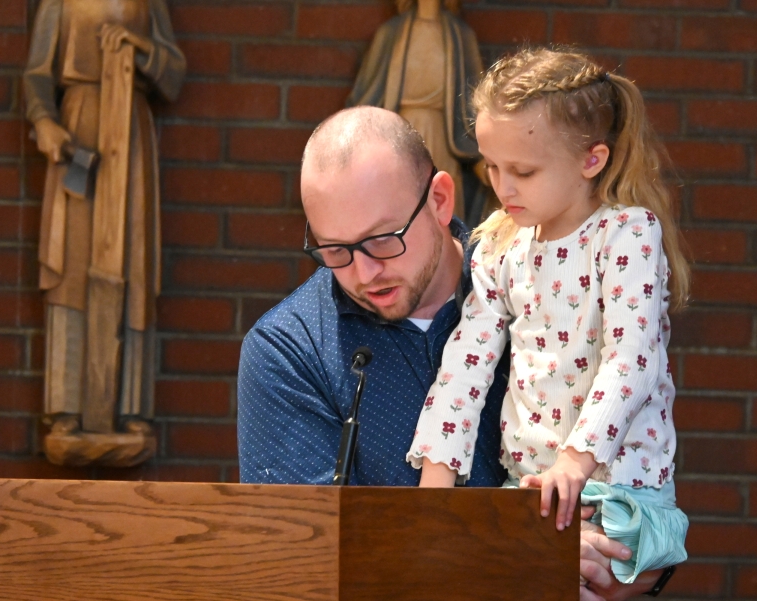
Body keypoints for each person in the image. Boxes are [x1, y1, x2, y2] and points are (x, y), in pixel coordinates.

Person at [238, 105, 667, 600]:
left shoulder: (549, 286)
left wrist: (633, 562)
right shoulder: (289, 350)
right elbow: (298, 560)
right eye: (335, 250)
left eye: (382, 240)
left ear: (440, 199)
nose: (362, 273)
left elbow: (641, 469)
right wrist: (513, 555)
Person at [407, 48, 689, 587]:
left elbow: (632, 359)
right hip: (529, 494)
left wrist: (575, 463)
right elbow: (466, 366)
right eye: (492, 165)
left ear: (592, 160)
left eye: (523, 171)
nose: (502, 186)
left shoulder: (626, 234)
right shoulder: (498, 246)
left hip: (617, 489)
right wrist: (434, 496)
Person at [24, 0, 185, 440]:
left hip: (130, 135)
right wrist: (46, 121)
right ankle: (65, 406)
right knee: (71, 263)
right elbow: (37, 73)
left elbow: (173, 74)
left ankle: (131, 405)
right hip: (79, 131)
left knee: (131, 262)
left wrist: (139, 45)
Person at [347, 0, 490, 225]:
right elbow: (368, 94)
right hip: (397, 134)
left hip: (442, 137)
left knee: (440, 209)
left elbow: (475, 103)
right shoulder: (391, 34)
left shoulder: (460, 36)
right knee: (397, 208)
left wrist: (481, 156)